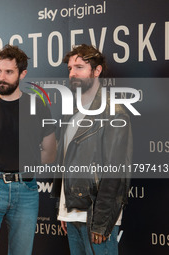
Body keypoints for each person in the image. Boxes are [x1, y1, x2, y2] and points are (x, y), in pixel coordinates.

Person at [0, 44, 57, 255]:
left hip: (26, 191)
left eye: (9, 72)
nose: (2, 77)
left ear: (22, 74)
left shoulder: (38, 106)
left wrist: (29, 159)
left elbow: (51, 152)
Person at [51, 44, 132, 255]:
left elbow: (116, 171)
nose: (72, 73)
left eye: (79, 67)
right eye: (70, 68)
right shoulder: (71, 112)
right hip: (73, 214)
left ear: (97, 71)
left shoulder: (114, 112)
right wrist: (64, 210)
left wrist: (101, 221)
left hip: (96, 216)